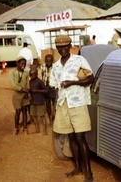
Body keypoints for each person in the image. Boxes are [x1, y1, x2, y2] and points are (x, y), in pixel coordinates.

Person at [49, 35, 94, 181]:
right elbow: (56, 89)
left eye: (65, 46)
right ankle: (77, 167)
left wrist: (73, 83)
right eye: (60, 47)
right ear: (57, 48)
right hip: (63, 104)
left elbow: (91, 78)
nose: (63, 49)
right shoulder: (55, 67)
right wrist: (54, 110)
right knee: (71, 137)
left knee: (81, 138)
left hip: (78, 103)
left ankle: (88, 172)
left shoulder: (79, 60)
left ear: (70, 46)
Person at [10, 56, 30, 135]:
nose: (23, 65)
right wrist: (22, 89)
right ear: (17, 64)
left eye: (24, 64)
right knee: (18, 111)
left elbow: (28, 84)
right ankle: (16, 127)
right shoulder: (12, 73)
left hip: (24, 95)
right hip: (17, 96)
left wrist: (26, 92)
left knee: (25, 112)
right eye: (21, 63)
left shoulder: (26, 73)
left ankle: (25, 128)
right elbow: (13, 85)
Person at [29, 67, 47, 135]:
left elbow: (45, 90)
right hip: (33, 101)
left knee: (42, 116)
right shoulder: (30, 81)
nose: (31, 76)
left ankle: (44, 130)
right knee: (33, 115)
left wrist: (37, 91)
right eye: (30, 75)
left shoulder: (40, 81)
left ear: (36, 74)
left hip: (40, 101)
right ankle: (37, 129)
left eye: (32, 75)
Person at [40, 54, 56, 126]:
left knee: (54, 104)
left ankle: (54, 118)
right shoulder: (42, 67)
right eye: (47, 61)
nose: (48, 63)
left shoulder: (55, 67)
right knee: (48, 105)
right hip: (46, 87)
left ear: (52, 61)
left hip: (53, 87)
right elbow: (43, 77)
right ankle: (50, 120)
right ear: (45, 61)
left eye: (50, 61)